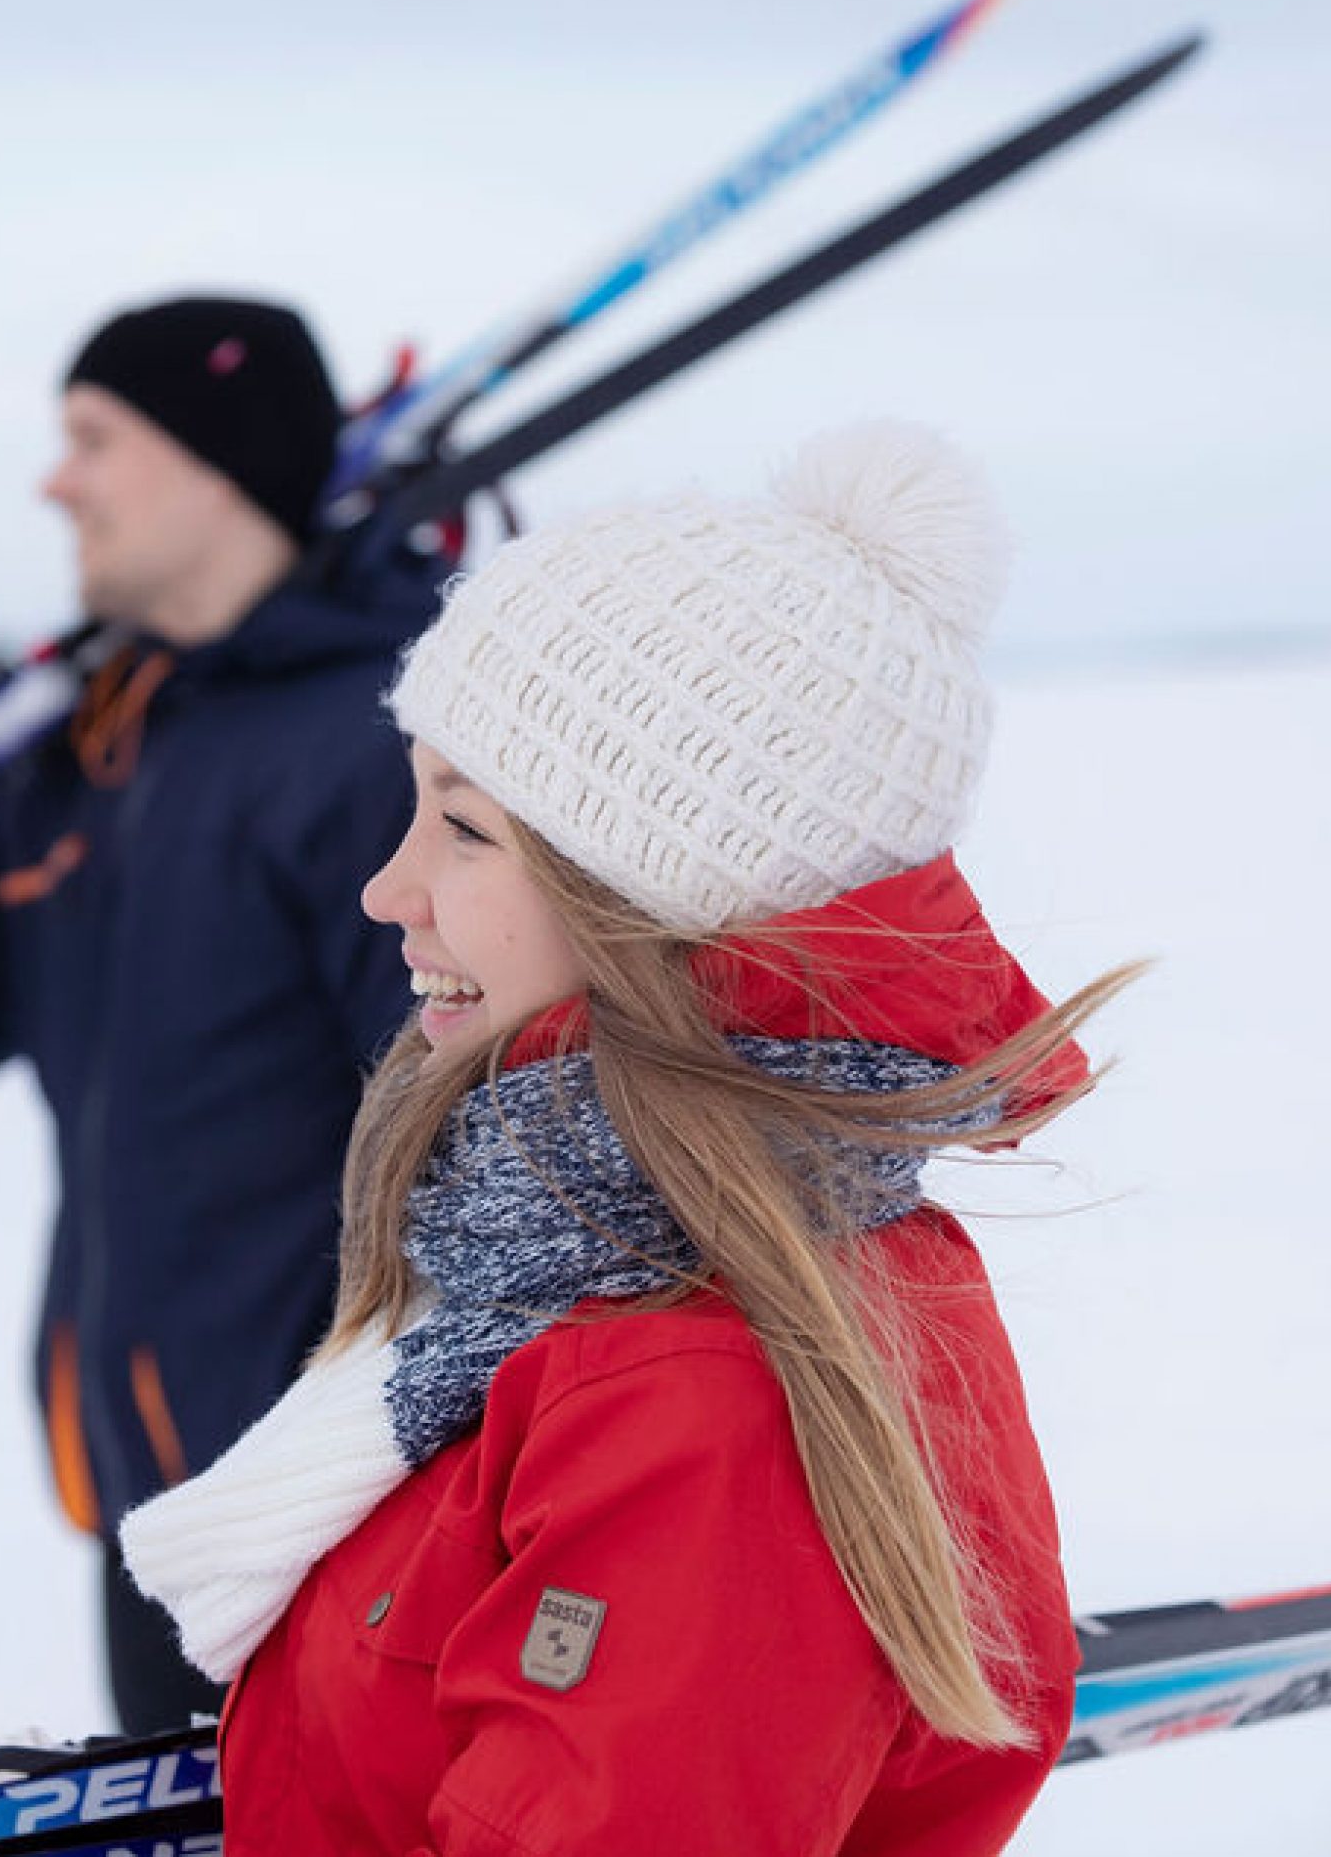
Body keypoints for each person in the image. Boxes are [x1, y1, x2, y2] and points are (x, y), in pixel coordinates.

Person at [120, 420, 1134, 1852]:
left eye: (464, 832)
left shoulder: (698, 1384)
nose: (387, 890)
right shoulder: (566, 1259)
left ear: (651, 897)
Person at [0, 296, 436, 1731]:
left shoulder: (375, 740)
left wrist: (389, 1453)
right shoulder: (95, 744)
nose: (55, 483)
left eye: (93, 441)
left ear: (214, 464)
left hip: (330, 1510)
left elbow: (462, 1135)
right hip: (149, 1477)